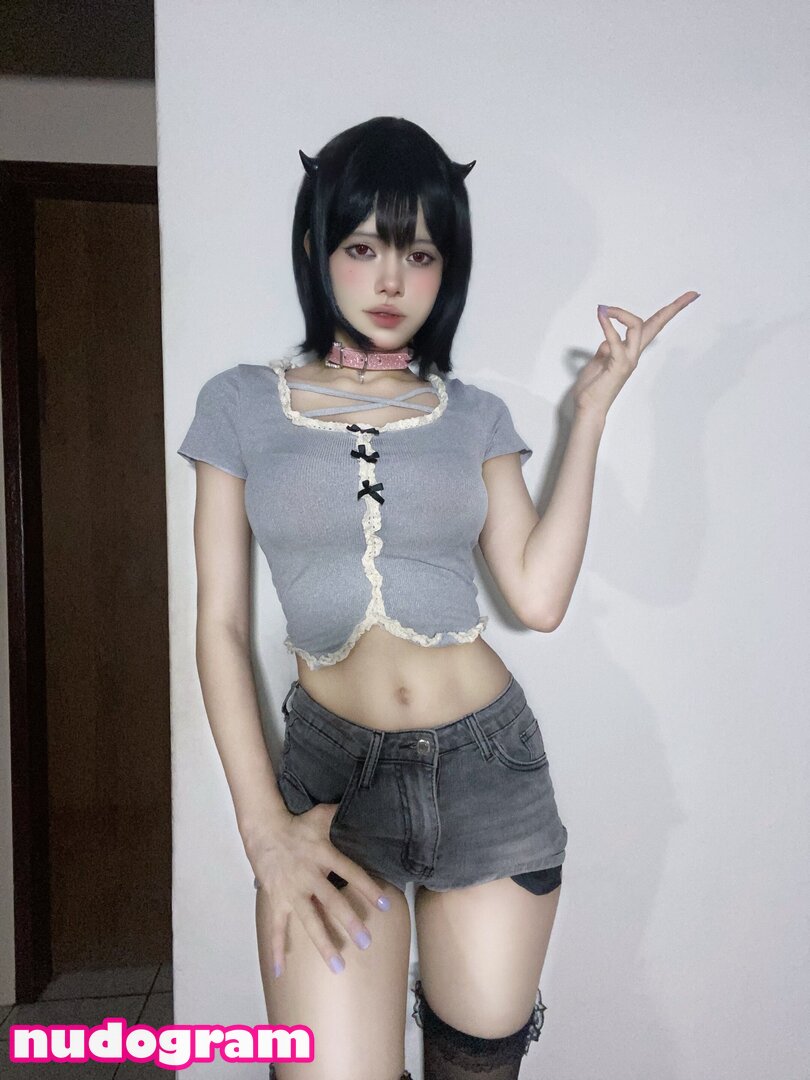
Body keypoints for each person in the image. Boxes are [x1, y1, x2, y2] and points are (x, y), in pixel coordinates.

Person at [177, 115, 699, 1080]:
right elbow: (219, 624)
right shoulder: (240, 403)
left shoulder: (473, 414)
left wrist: (589, 415)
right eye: (363, 247)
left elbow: (538, 597)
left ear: (445, 268)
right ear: (315, 249)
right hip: (332, 785)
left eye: (418, 254)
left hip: (489, 773)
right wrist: (264, 833)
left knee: (476, 1066)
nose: (390, 281)